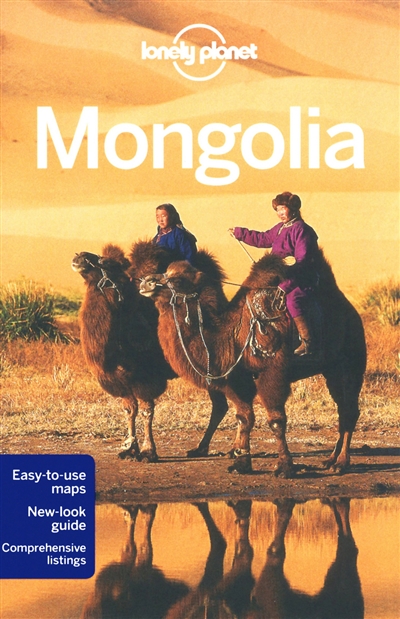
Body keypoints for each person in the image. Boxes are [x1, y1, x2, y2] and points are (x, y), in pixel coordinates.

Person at [230, 191, 319, 355]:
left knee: (293, 301)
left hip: (301, 278)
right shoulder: (280, 229)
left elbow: (303, 262)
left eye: (283, 208)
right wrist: (240, 233)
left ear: (293, 208)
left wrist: (286, 285)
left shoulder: (302, 230)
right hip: (279, 276)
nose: (280, 213)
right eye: (277, 209)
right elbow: (262, 238)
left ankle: (307, 341)